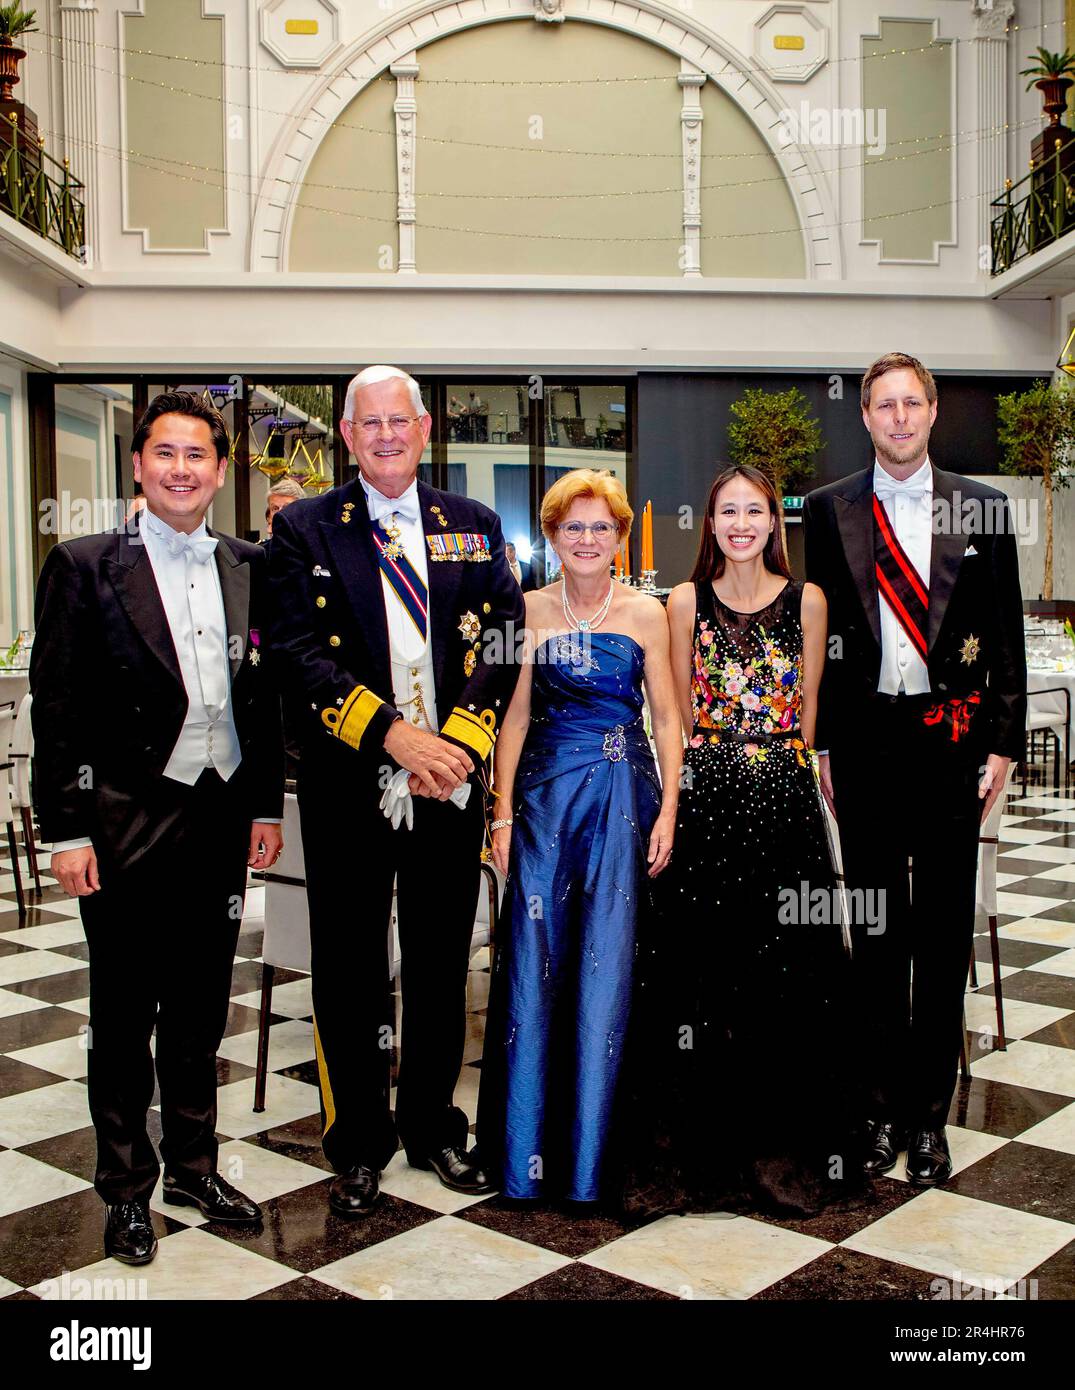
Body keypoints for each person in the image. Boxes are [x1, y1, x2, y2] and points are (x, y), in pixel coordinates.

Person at [30, 391, 284, 1265]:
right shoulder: (84, 563)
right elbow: (55, 709)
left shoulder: (252, 565)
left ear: (220, 471)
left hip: (217, 817)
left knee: (201, 1009)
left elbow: (262, 698)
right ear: (139, 465)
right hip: (124, 820)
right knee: (123, 1009)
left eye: (198, 456)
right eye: (165, 453)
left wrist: (261, 805)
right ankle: (126, 1187)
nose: (182, 469)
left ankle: (194, 1166)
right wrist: (64, 831)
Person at [266, 365, 524, 1216]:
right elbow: (297, 657)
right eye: (367, 423)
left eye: (398, 421)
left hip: (446, 784)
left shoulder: (472, 526)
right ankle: (358, 1143)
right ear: (346, 435)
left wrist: (456, 744)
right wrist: (393, 735)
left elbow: (504, 637)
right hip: (348, 786)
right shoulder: (304, 529)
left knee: (442, 960)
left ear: (423, 430)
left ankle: (432, 1127)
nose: (384, 435)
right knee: (347, 967)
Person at [803, 352, 1026, 1187]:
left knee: (937, 939)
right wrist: (819, 741)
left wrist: (1000, 741)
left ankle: (926, 1120)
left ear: (932, 412)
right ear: (863, 417)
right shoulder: (827, 510)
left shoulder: (984, 508)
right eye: (882, 406)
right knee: (875, 933)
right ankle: (874, 1110)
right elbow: (816, 634)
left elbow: (1002, 634)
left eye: (911, 403)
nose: (897, 418)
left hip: (949, 746)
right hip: (862, 748)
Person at [621, 464, 860, 1217]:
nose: (741, 523)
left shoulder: (809, 601)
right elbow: (679, 716)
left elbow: (810, 708)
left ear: (772, 522)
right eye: (727, 511)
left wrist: (802, 778)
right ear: (711, 523)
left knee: (786, 981)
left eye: (753, 510)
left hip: (785, 807)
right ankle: (699, 1156)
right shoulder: (683, 601)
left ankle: (781, 1156)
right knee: (699, 979)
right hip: (708, 801)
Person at [479, 469, 681, 1205]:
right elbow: (516, 717)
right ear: (553, 536)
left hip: (625, 802)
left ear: (620, 537)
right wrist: (500, 813)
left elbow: (666, 718)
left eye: (601, 528)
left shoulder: (647, 614)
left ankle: (600, 1155)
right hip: (542, 808)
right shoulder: (525, 610)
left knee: (609, 964)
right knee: (537, 961)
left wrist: (669, 810)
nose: (587, 540)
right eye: (573, 528)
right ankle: (527, 1153)